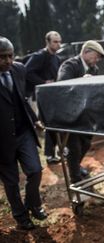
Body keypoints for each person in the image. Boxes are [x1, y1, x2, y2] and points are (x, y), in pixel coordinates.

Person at [0, 36, 47, 230]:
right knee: (11, 182)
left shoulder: (19, 69)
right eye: (2, 57)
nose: (8, 61)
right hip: (1, 140)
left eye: (10, 56)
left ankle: (33, 204)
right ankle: (21, 216)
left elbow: (22, 98)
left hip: (23, 132)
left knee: (35, 170)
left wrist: (35, 119)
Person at [57, 40, 104, 183]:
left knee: (86, 143)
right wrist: (81, 80)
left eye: (98, 59)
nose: (96, 61)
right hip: (69, 115)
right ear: (85, 52)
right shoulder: (70, 65)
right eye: (95, 56)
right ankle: (75, 178)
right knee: (74, 147)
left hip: (84, 114)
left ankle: (76, 166)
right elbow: (61, 85)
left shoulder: (94, 69)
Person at [25, 31, 62, 165]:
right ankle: (50, 155)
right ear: (48, 42)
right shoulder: (39, 56)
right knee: (50, 123)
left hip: (53, 95)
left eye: (59, 42)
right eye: (55, 42)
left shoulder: (57, 58)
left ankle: (55, 152)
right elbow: (27, 71)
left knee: (54, 123)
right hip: (41, 96)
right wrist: (42, 82)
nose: (58, 44)